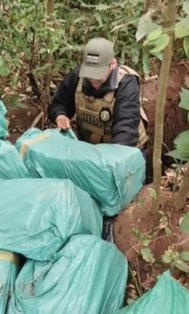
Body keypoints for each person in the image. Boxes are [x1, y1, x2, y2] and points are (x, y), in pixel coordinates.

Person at [47, 37, 151, 244]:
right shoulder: (78, 77)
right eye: (90, 74)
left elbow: (125, 131)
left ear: (112, 65)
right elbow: (58, 104)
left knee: (117, 207)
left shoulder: (127, 83)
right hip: (91, 153)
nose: (93, 80)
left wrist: (105, 173)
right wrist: (60, 115)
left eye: (98, 75)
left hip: (127, 156)